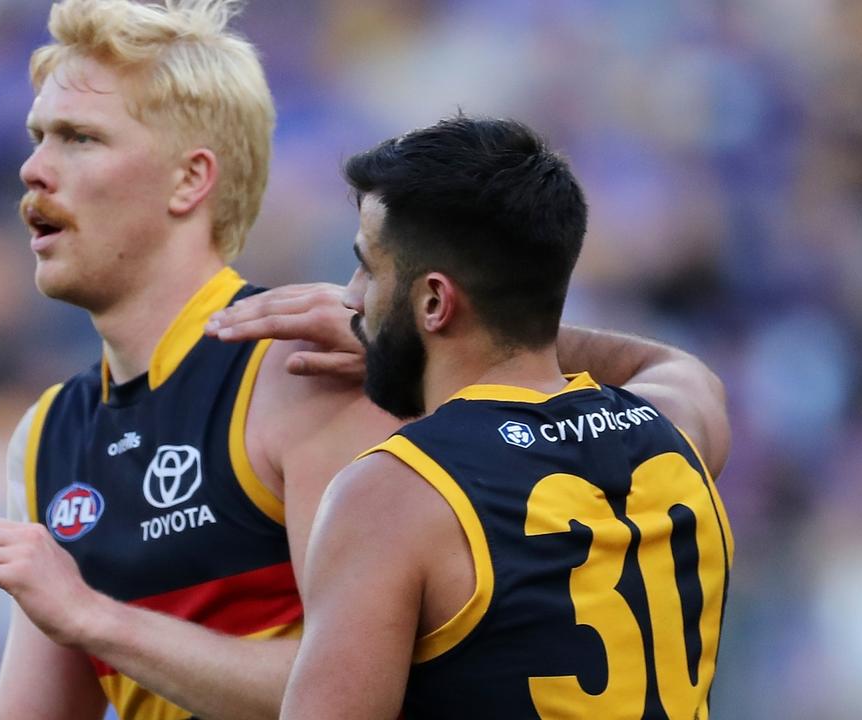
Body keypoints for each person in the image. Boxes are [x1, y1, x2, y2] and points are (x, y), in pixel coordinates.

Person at [0, 1, 402, 718]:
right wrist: (81, 617)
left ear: (190, 181)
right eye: (38, 138)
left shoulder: (300, 370)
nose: (34, 168)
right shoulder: (46, 439)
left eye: (80, 138)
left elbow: (366, 691)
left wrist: (96, 617)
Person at [269, 116, 734, 719]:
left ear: (435, 302)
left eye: (368, 269)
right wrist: (506, 318)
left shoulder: (391, 496)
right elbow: (676, 363)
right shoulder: (674, 429)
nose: (351, 298)